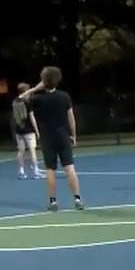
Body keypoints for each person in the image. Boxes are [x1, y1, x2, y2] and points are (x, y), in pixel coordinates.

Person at [23, 66, 84, 211]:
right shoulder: (64, 96)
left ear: (43, 80)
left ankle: (53, 201)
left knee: (50, 170)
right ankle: (77, 198)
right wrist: (73, 135)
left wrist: (35, 88)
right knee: (69, 167)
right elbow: (71, 119)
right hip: (63, 136)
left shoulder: (38, 99)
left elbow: (21, 98)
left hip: (47, 138)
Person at [11, 83, 42, 179]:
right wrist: (37, 130)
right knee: (32, 150)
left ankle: (21, 171)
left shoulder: (15, 102)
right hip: (29, 130)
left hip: (19, 130)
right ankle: (36, 171)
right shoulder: (27, 103)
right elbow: (32, 117)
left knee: (21, 151)